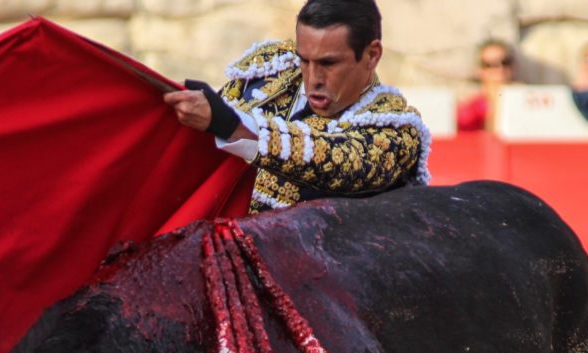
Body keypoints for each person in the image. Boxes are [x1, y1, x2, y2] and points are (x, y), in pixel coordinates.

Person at [163, 0, 429, 214]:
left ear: (371, 55)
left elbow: (341, 161)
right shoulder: (270, 68)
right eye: (304, 60)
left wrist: (234, 128)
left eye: (328, 63)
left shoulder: (395, 129)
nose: (313, 78)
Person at [457, 39, 517, 133]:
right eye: (490, 64)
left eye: (505, 62)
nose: (500, 68)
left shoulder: (524, 102)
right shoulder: (470, 109)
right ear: (479, 70)